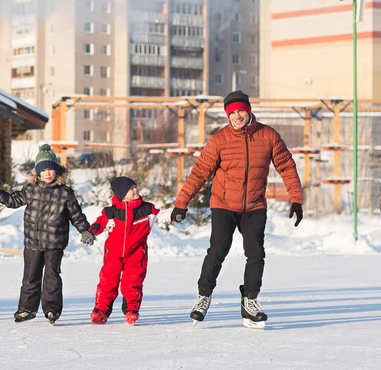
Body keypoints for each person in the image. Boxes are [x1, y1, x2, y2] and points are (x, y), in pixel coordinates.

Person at [171, 90, 303, 326]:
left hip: (254, 205)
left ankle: (250, 301)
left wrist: (296, 199)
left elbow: (286, 167)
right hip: (223, 204)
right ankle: (204, 296)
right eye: (232, 113)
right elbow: (200, 172)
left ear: (249, 110)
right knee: (218, 250)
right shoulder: (219, 140)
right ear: (227, 116)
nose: (237, 116)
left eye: (241, 110)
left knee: (255, 253)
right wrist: (182, 203)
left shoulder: (268, 135)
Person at [0, 144, 91, 324]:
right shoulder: (31, 190)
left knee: (52, 277)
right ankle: (26, 309)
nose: (48, 173)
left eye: (51, 169)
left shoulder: (65, 193)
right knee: (30, 277)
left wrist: (84, 230)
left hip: (54, 243)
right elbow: (13, 201)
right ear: (37, 173)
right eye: (44, 170)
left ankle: (51, 310)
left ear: (57, 171)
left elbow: (76, 214)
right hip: (33, 242)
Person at [84, 176, 170, 325]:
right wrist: (90, 232)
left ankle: (131, 310)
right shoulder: (111, 212)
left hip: (136, 253)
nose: (135, 189)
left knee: (132, 281)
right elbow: (100, 224)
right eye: (131, 189)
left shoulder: (147, 209)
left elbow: (162, 215)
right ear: (122, 195)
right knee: (107, 281)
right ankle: (101, 310)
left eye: (135, 186)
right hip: (113, 254)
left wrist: (175, 213)